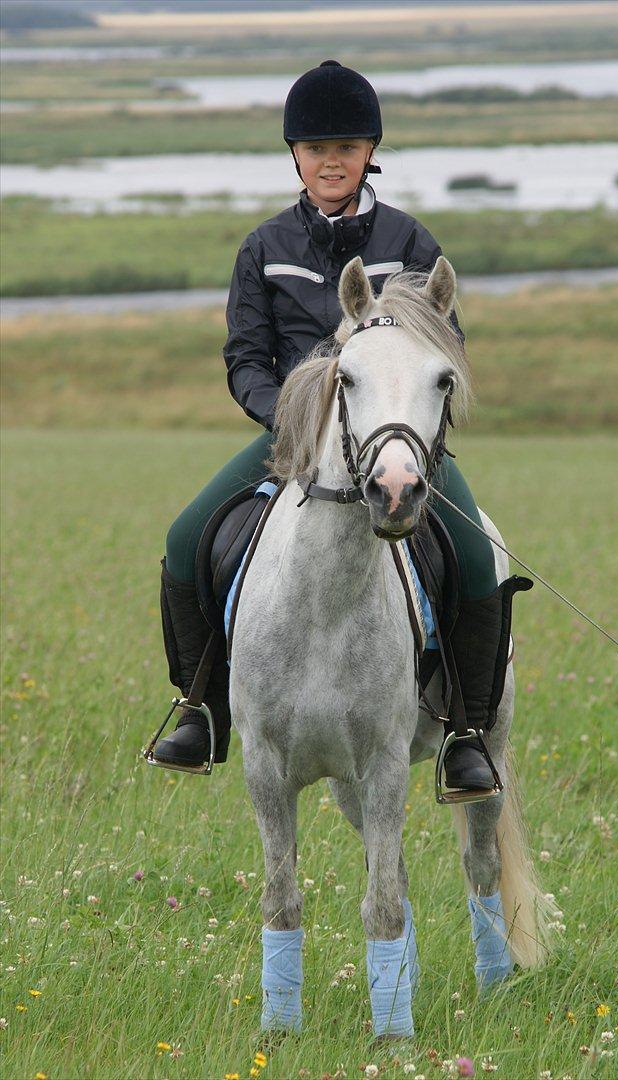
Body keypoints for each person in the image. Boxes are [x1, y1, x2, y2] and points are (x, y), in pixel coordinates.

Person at [153, 60, 510, 792]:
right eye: (316, 149)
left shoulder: (409, 243)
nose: (331, 161)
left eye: (346, 146)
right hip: (294, 440)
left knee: (475, 558)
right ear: (295, 156)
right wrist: (294, 416)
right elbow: (246, 360)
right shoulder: (263, 249)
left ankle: (466, 734)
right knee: (187, 539)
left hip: (395, 440)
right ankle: (201, 708)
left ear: (370, 152)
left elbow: (448, 346)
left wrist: (405, 417)